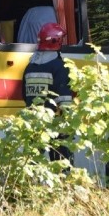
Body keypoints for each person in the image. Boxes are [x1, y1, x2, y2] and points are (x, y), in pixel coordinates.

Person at [22, 22, 73, 163]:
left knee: (32, 162)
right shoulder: (59, 66)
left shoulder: (30, 66)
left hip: (33, 122)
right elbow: (64, 100)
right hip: (54, 124)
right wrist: (68, 126)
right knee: (60, 164)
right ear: (56, 41)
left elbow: (24, 95)